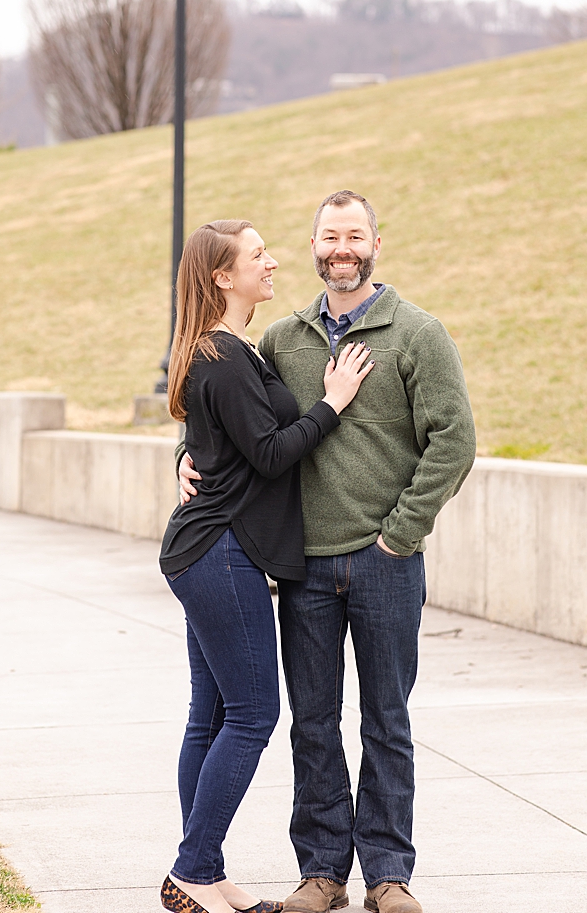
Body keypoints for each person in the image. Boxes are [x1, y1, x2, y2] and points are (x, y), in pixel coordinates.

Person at [180, 192, 475, 913]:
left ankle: (388, 874)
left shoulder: (417, 333)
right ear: (315, 245)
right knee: (312, 722)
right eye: (328, 236)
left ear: (377, 241)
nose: (341, 249)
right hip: (302, 566)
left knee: (387, 720)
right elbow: (230, 415)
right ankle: (321, 873)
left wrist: (400, 533)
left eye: (354, 236)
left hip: (386, 561)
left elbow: (454, 441)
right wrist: (185, 454)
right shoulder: (283, 338)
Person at [159, 219, 374, 913]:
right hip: (219, 552)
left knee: (212, 713)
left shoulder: (222, 351)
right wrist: (333, 403)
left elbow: (210, 442)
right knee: (252, 713)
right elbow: (274, 452)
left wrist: (186, 458)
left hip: (208, 547)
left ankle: (206, 870)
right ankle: (192, 868)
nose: (272, 261)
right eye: (257, 255)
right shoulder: (221, 357)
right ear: (223, 276)